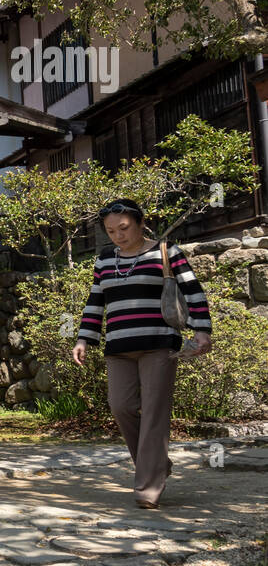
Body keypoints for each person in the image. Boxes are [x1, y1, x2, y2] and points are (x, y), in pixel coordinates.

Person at [71, 199, 212, 509]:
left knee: (153, 413)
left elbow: (193, 292)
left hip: (159, 344)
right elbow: (95, 302)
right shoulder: (105, 260)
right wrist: (84, 338)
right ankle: (156, 463)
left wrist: (201, 330)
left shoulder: (166, 251)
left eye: (124, 228)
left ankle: (148, 486)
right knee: (120, 406)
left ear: (139, 222)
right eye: (110, 231)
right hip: (119, 347)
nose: (118, 235)